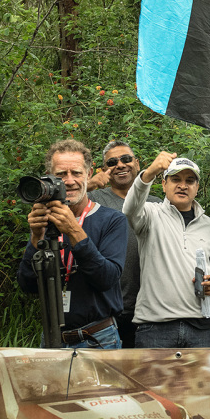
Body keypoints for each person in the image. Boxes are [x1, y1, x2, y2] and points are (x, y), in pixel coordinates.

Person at [16, 139, 128, 349]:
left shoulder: (113, 220)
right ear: (49, 177)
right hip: (52, 338)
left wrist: (73, 229)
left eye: (76, 173)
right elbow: (27, 284)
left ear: (88, 173)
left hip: (98, 337)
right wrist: (35, 238)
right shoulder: (45, 221)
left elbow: (107, 279)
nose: (68, 181)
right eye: (60, 175)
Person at [123, 153, 210, 348]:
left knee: (199, 381)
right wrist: (150, 172)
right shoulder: (150, 214)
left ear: (197, 188)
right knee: (151, 380)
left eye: (190, 181)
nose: (182, 185)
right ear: (164, 185)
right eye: (176, 179)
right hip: (155, 328)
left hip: (201, 328)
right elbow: (129, 209)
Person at [88, 141, 159, 349]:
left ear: (137, 163)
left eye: (126, 159)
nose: (120, 165)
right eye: (112, 162)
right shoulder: (91, 199)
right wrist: (90, 184)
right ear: (103, 170)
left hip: (150, 309)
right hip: (105, 311)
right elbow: (61, 202)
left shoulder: (156, 203)